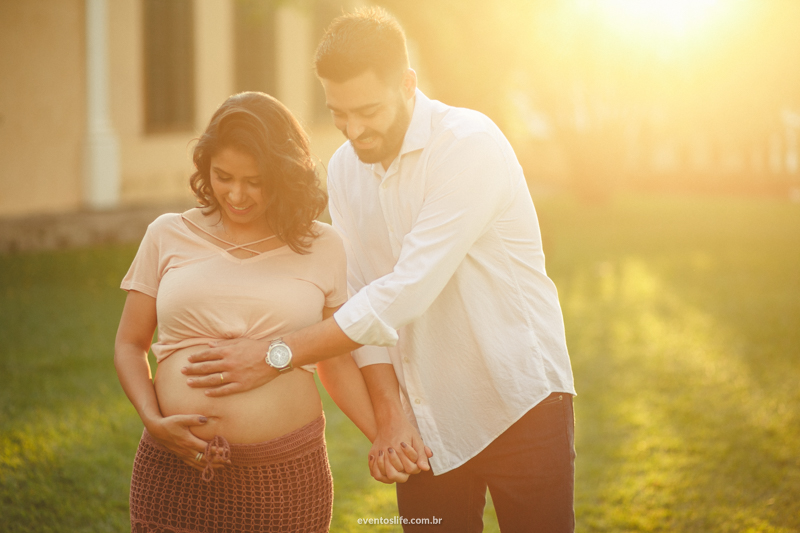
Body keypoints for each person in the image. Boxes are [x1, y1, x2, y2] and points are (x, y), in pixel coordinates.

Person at [182, 7, 577, 532]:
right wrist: (390, 418)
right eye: (339, 112)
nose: (353, 129)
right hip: (426, 424)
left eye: (367, 110)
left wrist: (275, 355)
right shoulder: (347, 169)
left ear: (407, 83)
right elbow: (360, 295)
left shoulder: (466, 146)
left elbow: (404, 293)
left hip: (520, 402)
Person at [114, 91, 417, 533]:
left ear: (285, 175)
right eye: (223, 176)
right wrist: (152, 420)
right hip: (174, 466)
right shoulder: (166, 235)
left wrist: (384, 437)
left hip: (285, 477)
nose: (237, 194)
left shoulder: (323, 246)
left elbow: (336, 356)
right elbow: (130, 343)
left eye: (255, 181)